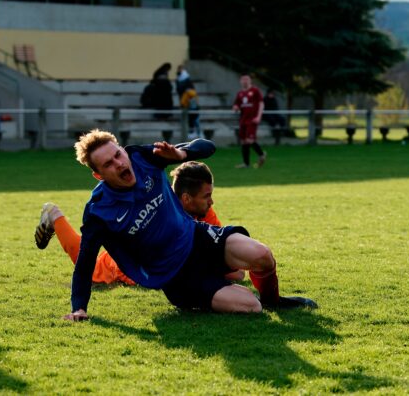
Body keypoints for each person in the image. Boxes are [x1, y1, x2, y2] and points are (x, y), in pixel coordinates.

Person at [61, 130, 315, 321]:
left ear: (124, 151)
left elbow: (207, 146)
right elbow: (84, 265)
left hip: (197, 237)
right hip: (175, 275)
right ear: (99, 175)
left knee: (262, 255)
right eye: (108, 164)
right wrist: (79, 308)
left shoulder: (142, 157)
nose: (118, 163)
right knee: (250, 306)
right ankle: (211, 293)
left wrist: (181, 154)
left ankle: (275, 301)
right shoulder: (99, 212)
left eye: (118, 154)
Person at [34, 161, 242, 285]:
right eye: (207, 196)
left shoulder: (204, 210)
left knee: (235, 272)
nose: (211, 201)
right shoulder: (160, 210)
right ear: (187, 199)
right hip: (126, 264)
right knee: (90, 269)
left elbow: (234, 266)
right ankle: (55, 215)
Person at [232, 74, 266, 168]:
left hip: (252, 119)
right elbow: (236, 105)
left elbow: (261, 103)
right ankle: (246, 164)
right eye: (243, 79)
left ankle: (262, 154)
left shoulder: (255, 91)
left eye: (247, 79)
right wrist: (235, 107)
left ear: (250, 80)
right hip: (243, 120)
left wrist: (259, 116)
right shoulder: (240, 93)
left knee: (249, 140)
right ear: (240, 81)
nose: (245, 81)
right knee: (243, 141)